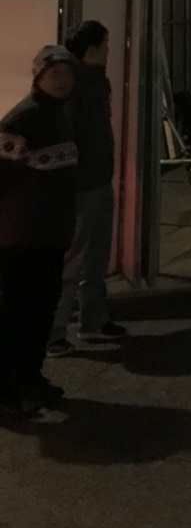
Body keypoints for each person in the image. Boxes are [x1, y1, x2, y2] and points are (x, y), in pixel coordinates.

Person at [0, 46, 79, 414]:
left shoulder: (58, 115)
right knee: (16, 314)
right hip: (20, 238)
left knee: (42, 311)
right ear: (38, 77)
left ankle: (30, 377)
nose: (62, 81)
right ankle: (6, 389)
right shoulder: (23, 119)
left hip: (50, 235)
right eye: (54, 74)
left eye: (67, 73)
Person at [48, 20, 127, 355]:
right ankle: (54, 333)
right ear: (92, 49)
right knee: (73, 259)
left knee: (95, 256)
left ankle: (93, 318)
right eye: (106, 44)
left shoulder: (95, 80)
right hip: (82, 185)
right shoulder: (73, 84)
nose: (110, 50)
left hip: (98, 179)